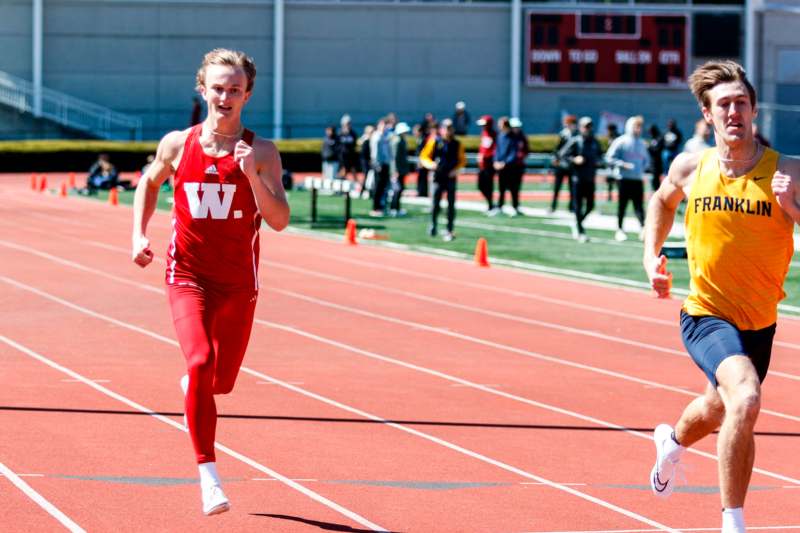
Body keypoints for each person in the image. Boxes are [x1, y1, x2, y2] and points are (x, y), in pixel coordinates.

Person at [643, 60, 800, 533]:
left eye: (742, 103)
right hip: (705, 314)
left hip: (759, 322)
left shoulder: (789, 170)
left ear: (754, 111)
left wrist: (793, 207)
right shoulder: (692, 166)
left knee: (719, 406)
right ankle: (733, 523)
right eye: (724, 105)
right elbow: (661, 200)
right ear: (707, 115)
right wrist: (651, 257)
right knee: (746, 398)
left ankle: (670, 443)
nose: (734, 112)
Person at [131, 48, 289, 516]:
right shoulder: (178, 144)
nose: (225, 96)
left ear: (248, 95)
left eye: (234, 90)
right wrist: (139, 232)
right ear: (202, 89)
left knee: (220, 383)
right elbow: (149, 181)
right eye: (217, 88)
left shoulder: (261, 152)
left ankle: (196, 386)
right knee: (199, 361)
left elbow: (278, 220)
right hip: (188, 275)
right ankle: (209, 477)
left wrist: (251, 177)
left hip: (239, 283)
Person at [604, 115, 650, 241]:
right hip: (623, 178)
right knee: (622, 205)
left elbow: (646, 160)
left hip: (637, 179)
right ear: (630, 126)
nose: (638, 129)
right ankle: (619, 229)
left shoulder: (641, 143)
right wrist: (622, 164)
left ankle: (643, 229)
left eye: (640, 127)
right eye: (636, 126)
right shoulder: (621, 141)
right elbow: (609, 157)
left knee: (639, 206)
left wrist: (642, 168)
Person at [420, 118, 466, 241]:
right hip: (437, 177)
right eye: (445, 128)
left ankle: (449, 228)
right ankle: (433, 225)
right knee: (435, 204)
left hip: (450, 177)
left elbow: (462, 160)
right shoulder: (435, 141)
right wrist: (431, 165)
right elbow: (424, 156)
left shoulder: (457, 143)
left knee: (451, 205)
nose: (448, 131)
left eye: (450, 128)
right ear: (441, 129)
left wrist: (456, 170)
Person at [559, 116, 602, 242]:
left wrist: (599, 162)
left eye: (589, 126)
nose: (588, 129)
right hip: (577, 178)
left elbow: (600, 155)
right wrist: (574, 160)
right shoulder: (575, 141)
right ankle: (580, 230)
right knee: (577, 206)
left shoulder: (595, 142)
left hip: (590, 177)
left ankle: (578, 224)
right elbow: (563, 154)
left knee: (590, 205)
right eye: (585, 126)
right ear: (580, 127)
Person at [550, 115, 577, 213]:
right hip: (561, 165)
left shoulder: (577, 135)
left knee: (572, 187)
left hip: (571, 165)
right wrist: (556, 159)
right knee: (557, 187)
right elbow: (557, 149)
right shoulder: (563, 134)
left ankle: (572, 207)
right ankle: (553, 206)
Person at [476, 114, 498, 215]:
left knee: (489, 185)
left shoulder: (494, 134)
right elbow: (483, 147)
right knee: (480, 185)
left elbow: (494, 149)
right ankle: (490, 203)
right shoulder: (484, 133)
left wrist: (486, 156)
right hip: (482, 165)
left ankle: (490, 204)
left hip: (489, 164)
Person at [388, 121, 411, 216]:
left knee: (400, 189)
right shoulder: (397, 141)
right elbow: (394, 158)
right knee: (396, 190)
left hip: (401, 169)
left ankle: (397, 208)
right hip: (398, 170)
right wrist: (395, 171)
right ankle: (393, 208)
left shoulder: (401, 141)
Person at [337, 114, 360, 182]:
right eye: (346, 123)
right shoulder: (340, 133)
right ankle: (339, 183)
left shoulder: (353, 133)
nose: (348, 125)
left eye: (349, 123)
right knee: (343, 170)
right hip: (343, 156)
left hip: (351, 155)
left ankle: (356, 184)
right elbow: (337, 145)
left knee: (353, 169)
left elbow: (355, 144)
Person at [647, 124, 665, 192]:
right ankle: (655, 189)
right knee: (654, 176)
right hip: (652, 160)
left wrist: (649, 148)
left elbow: (657, 149)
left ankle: (657, 190)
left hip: (658, 160)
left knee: (656, 176)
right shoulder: (653, 138)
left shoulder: (659, 138)